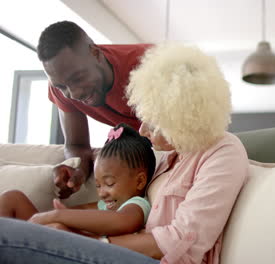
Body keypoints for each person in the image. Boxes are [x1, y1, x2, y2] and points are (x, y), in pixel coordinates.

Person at [0, 44, 249, 264]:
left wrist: (95, 241)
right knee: (26, 216)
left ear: (181, 119)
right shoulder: (168, 158)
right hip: (126, 248)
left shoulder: (223, 152)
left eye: (152, 122)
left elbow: (180, 240)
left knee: (8, 234)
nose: (142, 130)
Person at [37, 20, 152, 199]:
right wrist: (77, 170)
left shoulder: (148, 64)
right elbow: (77, 145)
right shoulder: (59, 88)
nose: (74, 94)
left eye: (78, 78)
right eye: (62, 86)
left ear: (95, 53)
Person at [0, 123, 155, 238]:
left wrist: (57, 216)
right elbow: (81, 211)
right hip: (72, 240)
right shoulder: (105, 205)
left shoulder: (137, 204)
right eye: (98, 185)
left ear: (140, 181)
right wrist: (65, 214)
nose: (101, 193)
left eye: (109, 184)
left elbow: (123, 221)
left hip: (90, 251)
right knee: (12, 198)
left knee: (57, 227)